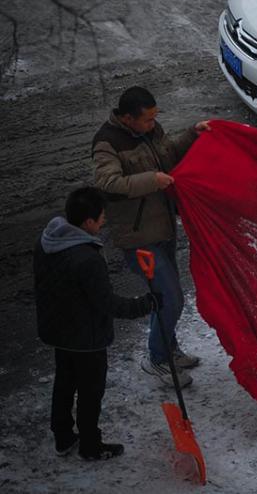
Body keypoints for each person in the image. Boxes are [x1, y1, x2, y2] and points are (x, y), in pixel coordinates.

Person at [91, 86, 210, 388]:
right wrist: (152, 181)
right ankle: (157, 360)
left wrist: (192, 134)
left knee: (164, 297)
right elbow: (108, 182)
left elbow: (167, 152)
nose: (153, 124)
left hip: (163, 228)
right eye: (146, 120)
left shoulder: (151, 130)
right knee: (171, 298)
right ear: (128, 118)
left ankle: (169, 350)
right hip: (138, 236)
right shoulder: (107, 142)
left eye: (155, 118)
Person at [34, 187, 162, 460]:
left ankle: (63, 437)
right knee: (90, 393)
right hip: (86, 338)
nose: (104, 221)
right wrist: (147, 304)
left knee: (64, 384)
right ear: (87, 221)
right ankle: (91, 446)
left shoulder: (48, 242)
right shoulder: (87, 259)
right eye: (101, 217)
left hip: (58, 331)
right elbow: (108, 304)